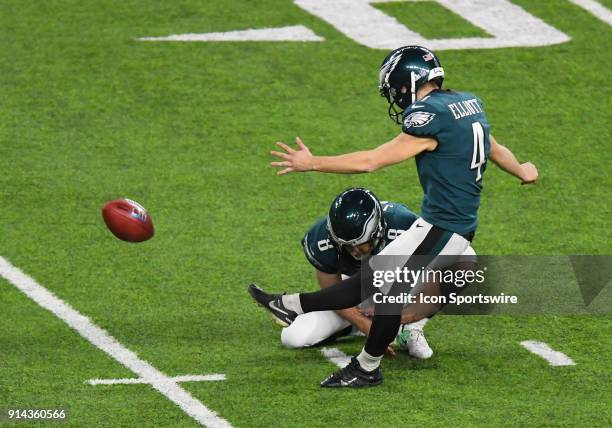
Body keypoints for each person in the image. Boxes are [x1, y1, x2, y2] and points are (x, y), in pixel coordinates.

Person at [249, 45, 538, 388]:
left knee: (375, 288)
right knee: (376, 288)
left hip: (444, 227)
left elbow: (371, 161)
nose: (395, 96)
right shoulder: (467, 103)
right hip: (449, 225)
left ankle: (332, 339)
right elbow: (492, 147)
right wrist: (523, 170)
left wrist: (312, 163)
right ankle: (321, 330)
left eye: (394, 88)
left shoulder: (430, 117)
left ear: (407, 82)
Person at [282, 187, 434, 358]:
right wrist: (365, 326)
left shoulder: (403, 225)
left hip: (398, 289)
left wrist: (408, 315)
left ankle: (409, 329)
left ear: (378, 231)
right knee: (292, 337)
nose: (354, 251)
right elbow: (333, 293)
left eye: (360, 243)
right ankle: (355, 326)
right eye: (347, 245)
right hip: (352, 290)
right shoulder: (322, 240)